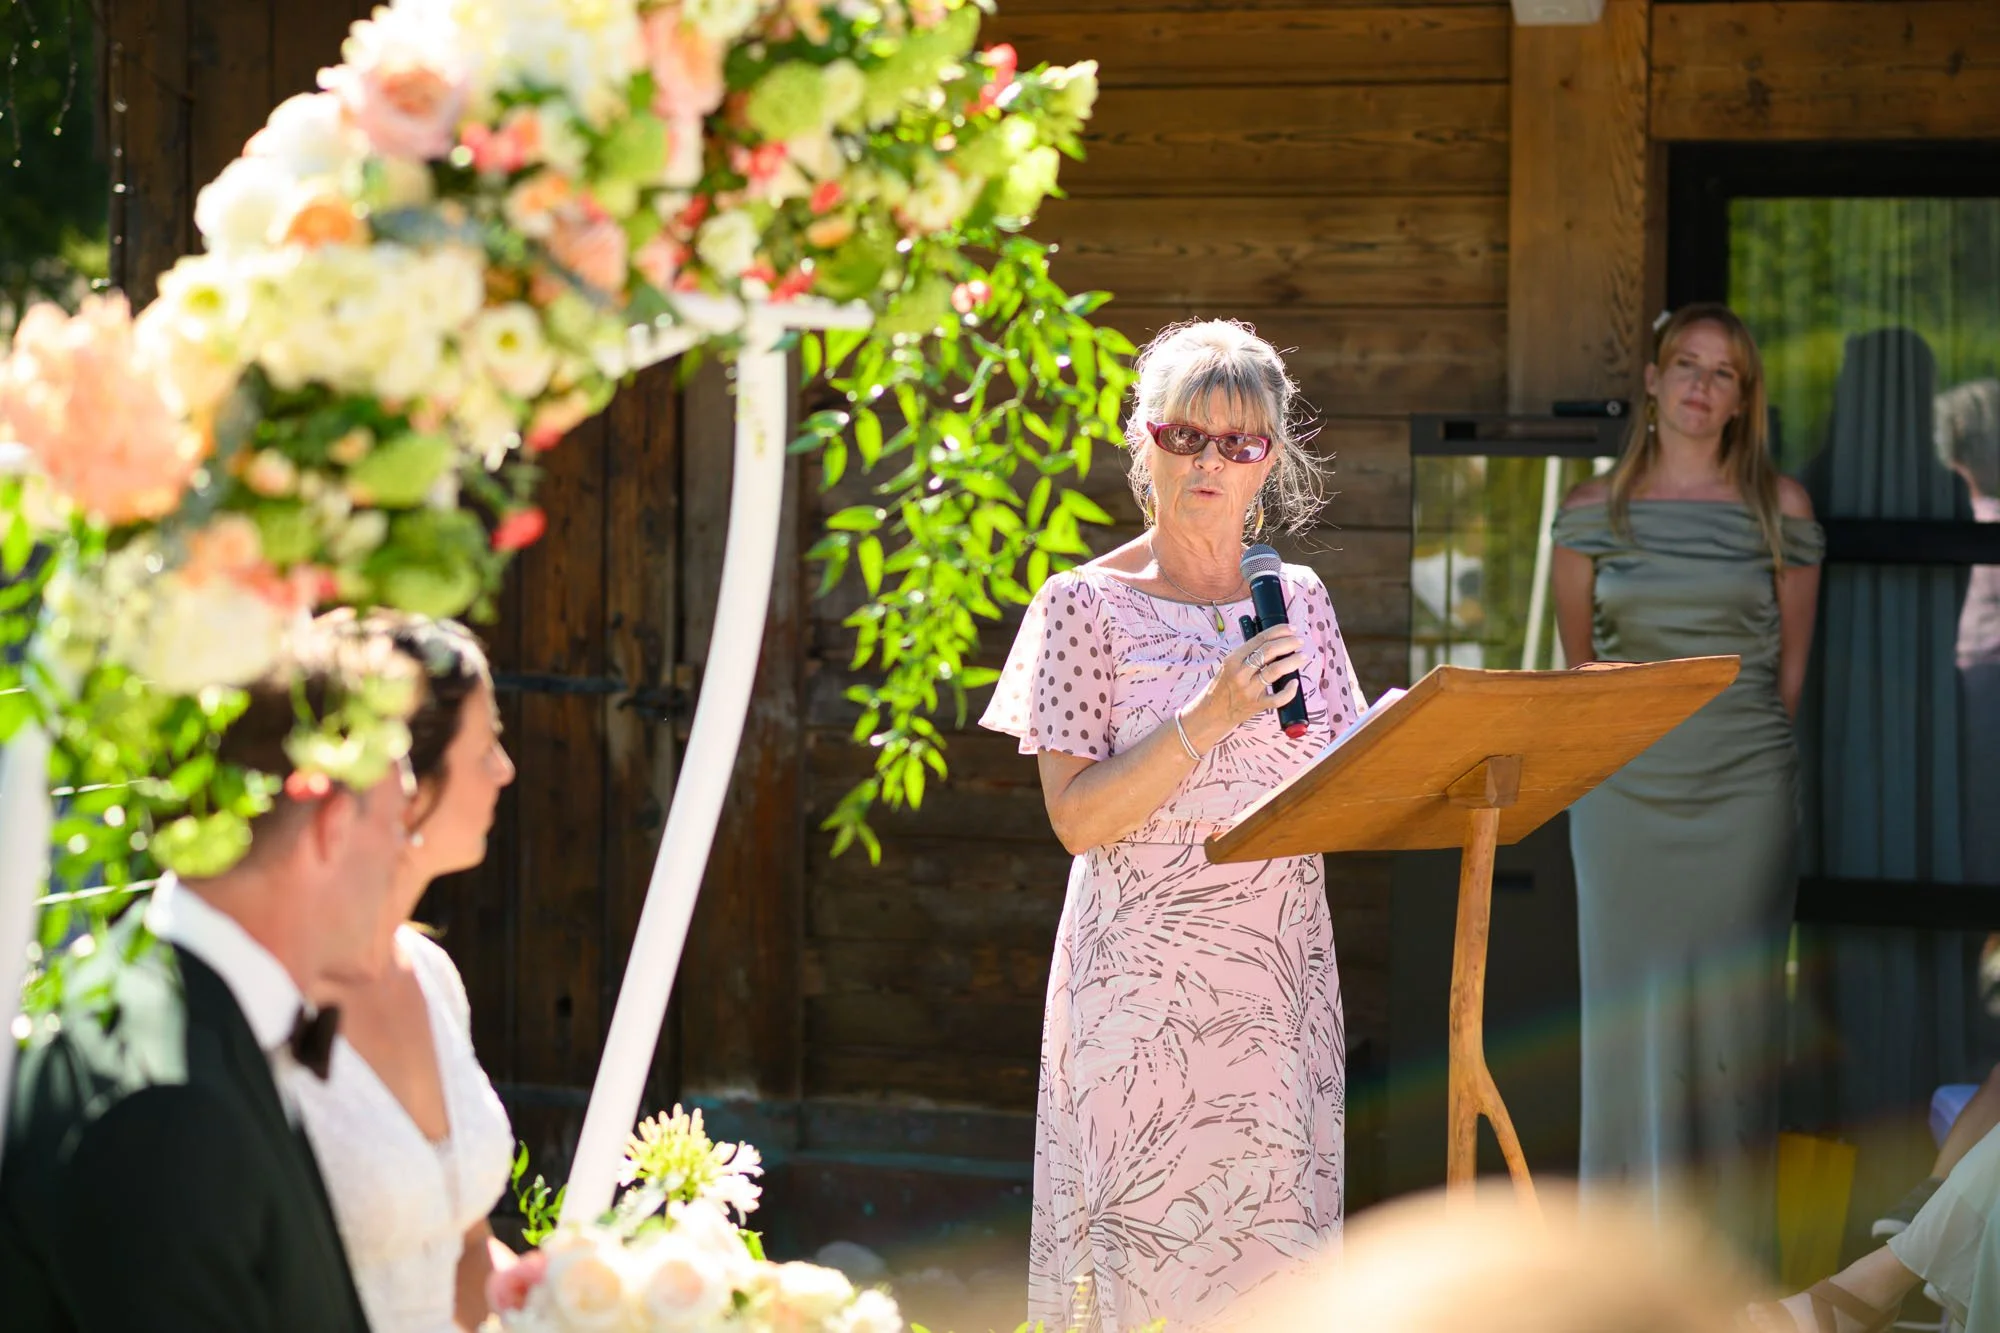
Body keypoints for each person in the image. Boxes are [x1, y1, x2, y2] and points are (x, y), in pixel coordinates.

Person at [980, 318, 1363, 1330]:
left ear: (1268, 461)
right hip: (1141, 1014)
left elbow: (1341, 775)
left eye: (1238, 443)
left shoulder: (1299, 600)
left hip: (1275, 998)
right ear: (1143, 444)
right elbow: (1075, 820)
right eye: (1186, 436)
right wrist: (1208, 716)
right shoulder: (1081, 605)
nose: (1209, 462)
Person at [0, 623, 418, 1332]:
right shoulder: (165, 1115)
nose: (408, 854)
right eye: (400, 822)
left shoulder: (194, 1012)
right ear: (332, 828)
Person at [1551, 303, 1823, 1263]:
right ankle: (1622, 1266)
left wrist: (1731, 750)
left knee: (1736, 1021)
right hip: (1623, 795)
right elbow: (1581, 671)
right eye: (1687, 366)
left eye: (1725, 373)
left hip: (1743, 790)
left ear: (1744, 399)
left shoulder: (1781, 509)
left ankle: (1728, 1265)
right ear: (1654, 381)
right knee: (1625, 1017)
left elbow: (1790, 673)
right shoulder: (1590, 511)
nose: (1703, 386)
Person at [291, 612, 520, 1333]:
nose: (505, 769)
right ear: (408, 781)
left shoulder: (431, 975)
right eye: (485, 747)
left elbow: (466, 1252)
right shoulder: (274, 1002)